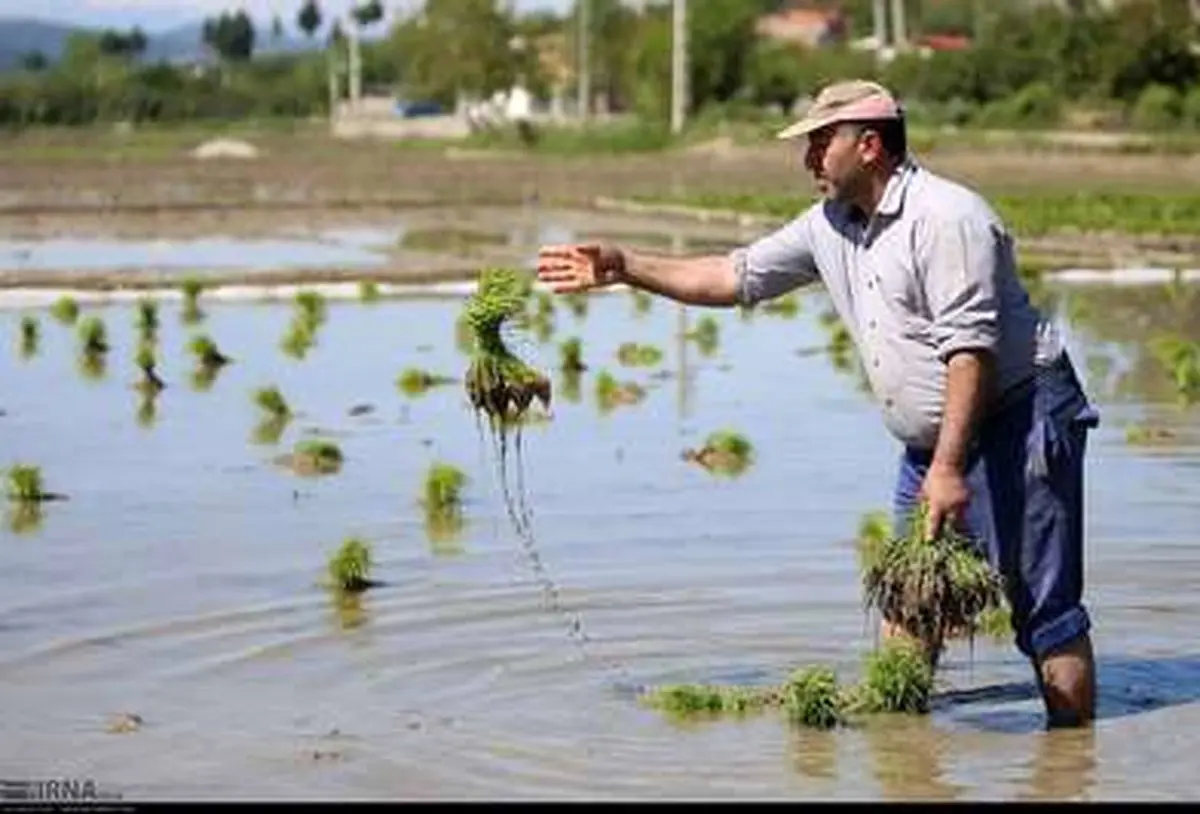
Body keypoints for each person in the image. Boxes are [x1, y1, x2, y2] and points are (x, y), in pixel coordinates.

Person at [535, 79, 1100, 729]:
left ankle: (1070, 764)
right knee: (909, 598)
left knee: (1043, 606)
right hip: (932, 440)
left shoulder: (949, 218)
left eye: (817, 142)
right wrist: (626, 265)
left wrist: (947, 469)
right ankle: (907, 763)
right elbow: (732, 275)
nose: (807, 158)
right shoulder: (832, 224)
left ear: (868, 145)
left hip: (1017, 417)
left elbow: (971, 352)